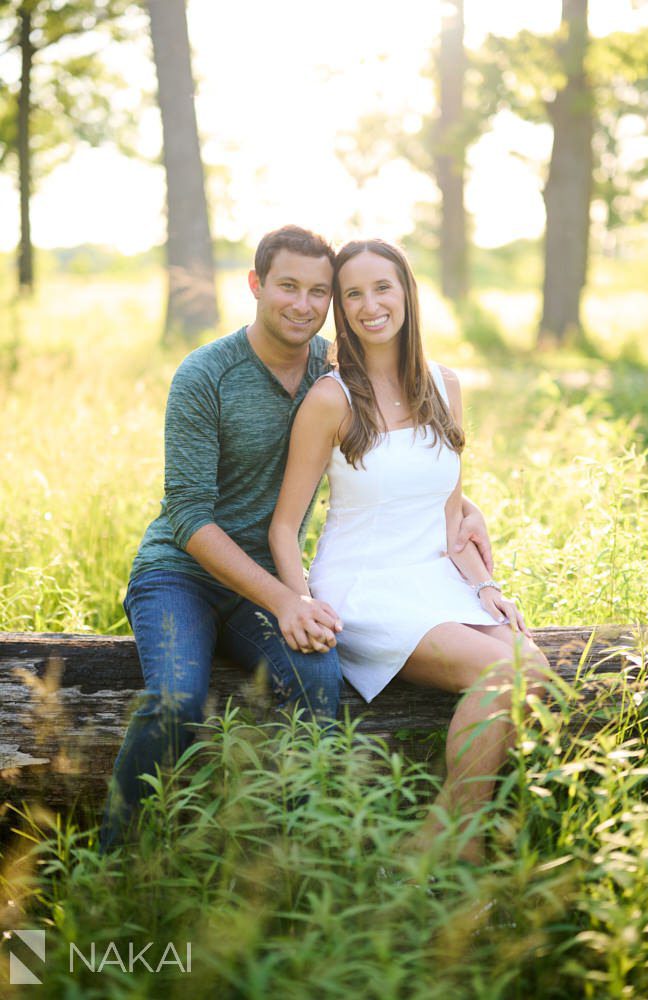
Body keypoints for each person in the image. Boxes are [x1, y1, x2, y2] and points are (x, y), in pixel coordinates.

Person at [99, 225, 493, 852]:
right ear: (256, 285)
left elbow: (392, 449)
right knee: (176, 698)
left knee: (319, 679)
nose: (304, 305)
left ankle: (303, 853)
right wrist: (287, 601)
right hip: (182, 574)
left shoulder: (332, 364)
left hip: (277, 578)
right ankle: (113, 861)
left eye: (318, 292)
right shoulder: (205, 375)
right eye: (288, 287)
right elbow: (189, 518)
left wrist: (459, 502)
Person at [269, 238, 549, 864]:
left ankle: (432, 839)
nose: (371, 305)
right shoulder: (331, 398)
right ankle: (464, 845)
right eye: (354, 294)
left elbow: (451, 519)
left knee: (536, 673)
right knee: (501, 674)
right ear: (342, 309)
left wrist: (487, 589)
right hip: (363, 586)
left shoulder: (445, 386)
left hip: (434, 578)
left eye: (382, 288)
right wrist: (300, 602)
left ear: (407, 294)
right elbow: (285, 526)